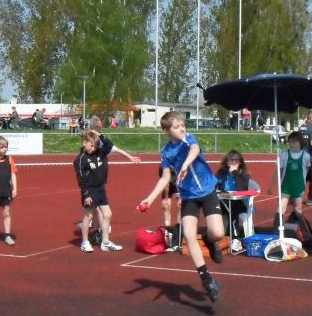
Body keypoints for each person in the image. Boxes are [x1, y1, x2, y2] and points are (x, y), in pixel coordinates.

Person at [138, 111, 224, 302]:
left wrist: (185, 164)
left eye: (183, 125)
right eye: (176, 127)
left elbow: (195, 149)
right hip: (188, 196)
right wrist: (149, 199)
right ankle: (207, 279)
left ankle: (209, 240)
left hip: (207, 190)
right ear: (167, 131)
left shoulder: (188, 140)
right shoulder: (166, 152)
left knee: (218, 233)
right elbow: (165, 178)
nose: (182, 129)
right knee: (189, 235)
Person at [83, 115, 141, 244]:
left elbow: (114, 148)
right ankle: (96, 233)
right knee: (96, 209)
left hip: (100, 178)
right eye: (99, 125)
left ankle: (98, 231)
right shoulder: (89, 142)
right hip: (92, 178)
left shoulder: (101, 142)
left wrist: (130, 157)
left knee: (99, 209)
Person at [73, 130, 124, 253]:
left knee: (108, 214)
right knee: (88, 216)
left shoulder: (100, 152)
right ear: (84, 142)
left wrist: (100, 135)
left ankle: (105, 242)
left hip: (100, 189)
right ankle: (85, 242)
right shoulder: (81, 159)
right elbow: (81, 179)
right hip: (89, 191)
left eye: (95, 146)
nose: (93, 148)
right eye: (91, 145)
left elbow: (109, 145)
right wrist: (86, 195)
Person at [270, 131, 311, 216]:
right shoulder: (284, 154)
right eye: (290, 142)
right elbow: (278, 171)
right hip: (286, 185)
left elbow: (306, 170)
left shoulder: (306, 156)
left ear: (300, 142)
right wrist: (271, 185)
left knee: (298, 207)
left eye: (294, 142)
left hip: (298, 186)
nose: (291, 144)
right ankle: (277, 223)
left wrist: (303, 183)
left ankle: (298, 223)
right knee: (282, 206)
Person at [215, 150, 252, 239]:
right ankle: (219, 235)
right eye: (231, 160)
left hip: (241, 202)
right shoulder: (222, 172)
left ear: (240, 162)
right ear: (227, 162)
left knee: (232, 208)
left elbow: (242, 189)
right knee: (214, 208)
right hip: (224, 200)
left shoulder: (244, 173)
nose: (233, 162)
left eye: (236, 160)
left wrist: (234, 173)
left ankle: (234, 237)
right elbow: (215, 185)